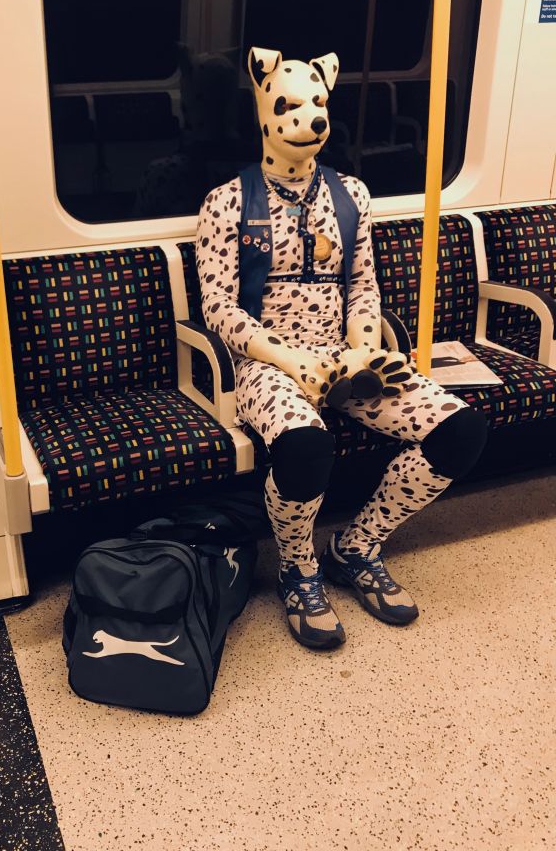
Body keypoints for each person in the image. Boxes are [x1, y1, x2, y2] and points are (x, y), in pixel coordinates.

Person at [195, 47, 487, 649]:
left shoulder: (351, 195)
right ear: (264, 112)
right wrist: (292, 359)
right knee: (305, 446)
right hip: (268, 363)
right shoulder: (227, 202)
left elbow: (362, 287)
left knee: (459, 431)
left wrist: (362, 350)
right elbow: (219, 308)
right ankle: (298, 567)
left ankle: (357, 547)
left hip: (345, 356)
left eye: (317, 103)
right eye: (289, 106)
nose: (308, 117)